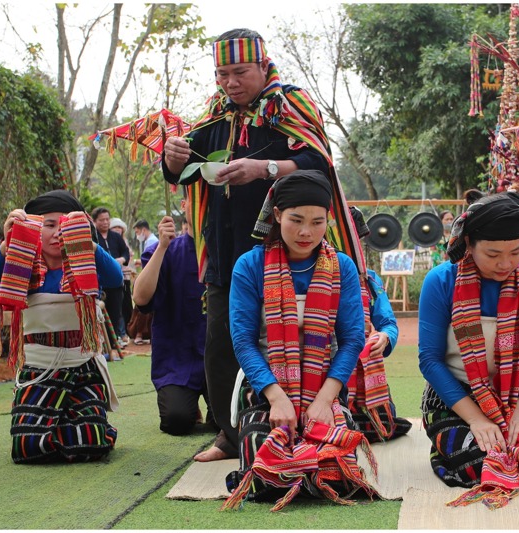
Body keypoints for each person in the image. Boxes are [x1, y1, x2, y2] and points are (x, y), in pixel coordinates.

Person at [161, 28, 332, 462]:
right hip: (223, 251)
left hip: (287, 251)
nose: (230, 83)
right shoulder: (215, 116)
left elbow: (319, 163)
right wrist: (173, 156)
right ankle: (229, 433)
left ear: (262, 65)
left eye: (239, 72)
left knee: (292, 338)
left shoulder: (290, 105)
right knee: (223, 341)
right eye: (222, 74)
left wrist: (265, 167)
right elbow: (182, 171)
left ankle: (308, 427)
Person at [224, 170, 371, 508]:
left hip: (326, 385)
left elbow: (351, 340)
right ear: (277, 215)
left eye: (318, 222)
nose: (307, 232)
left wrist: (324, 400)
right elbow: (244, 341)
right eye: (296, 220)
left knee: (337, 472)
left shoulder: (343, 267)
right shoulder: (250, 265)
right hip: (265, 387)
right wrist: (276, 398)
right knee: (263, 466)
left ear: (328, 220)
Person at [418, 195, 519, 493]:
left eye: (515, 252)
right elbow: (430, 360)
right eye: (492, 253)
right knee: (480, 465)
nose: (505, 263)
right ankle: (444, 444)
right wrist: (476, 419)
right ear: (469, 244)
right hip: (456, 399)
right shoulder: (441, 281)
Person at [0, 190, 123, 463]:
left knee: (91, 442)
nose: (58, 232)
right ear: (34, 227)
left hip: (83, 369)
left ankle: (87, 426)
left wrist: (88, 243)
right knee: (28, 446)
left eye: (66, 224)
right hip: (38, 370)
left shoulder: (86, 262)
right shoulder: (22, 264)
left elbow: (115, 280)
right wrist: (6, 243)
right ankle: (57, 432)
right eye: (49, 224)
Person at [133, 196, 211, 436]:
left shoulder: (224, 249)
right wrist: (163, 247)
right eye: (196, 202)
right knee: (176, 421)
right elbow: (140, 298)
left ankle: (214, 410)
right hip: (177, 358)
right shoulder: (167, 249)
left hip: (216, 358)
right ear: (184, 204)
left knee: (228, 423)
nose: (203, 209)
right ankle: (187, 405)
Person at [347, 206, 413, 442]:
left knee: (384, 420)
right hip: (322, 367)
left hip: (361, 364)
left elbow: (388, 323)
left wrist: (384, 337)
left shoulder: (369, 279)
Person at [91, 207, 130, 351]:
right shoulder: (93, 237)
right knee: (100, 314)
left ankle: (114, 342)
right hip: (100, 283)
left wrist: (122, 259)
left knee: (116, 312)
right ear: (95, 221)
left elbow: (126, 252)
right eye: (101, 220)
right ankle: (101, 343)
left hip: (117, 282)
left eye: (107, 219)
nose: (105, 222)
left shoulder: (116, 237)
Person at [110, 217, 133, 346]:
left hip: (126, 277)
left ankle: (126, 333)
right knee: (117, 309)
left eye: (119, 228)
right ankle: (119, 334)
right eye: (115, 227)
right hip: (115, 279)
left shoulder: (123, 242)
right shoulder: (109, 241)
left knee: (126, 306)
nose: (117, 230)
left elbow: (127, 256)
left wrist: (123, 259)